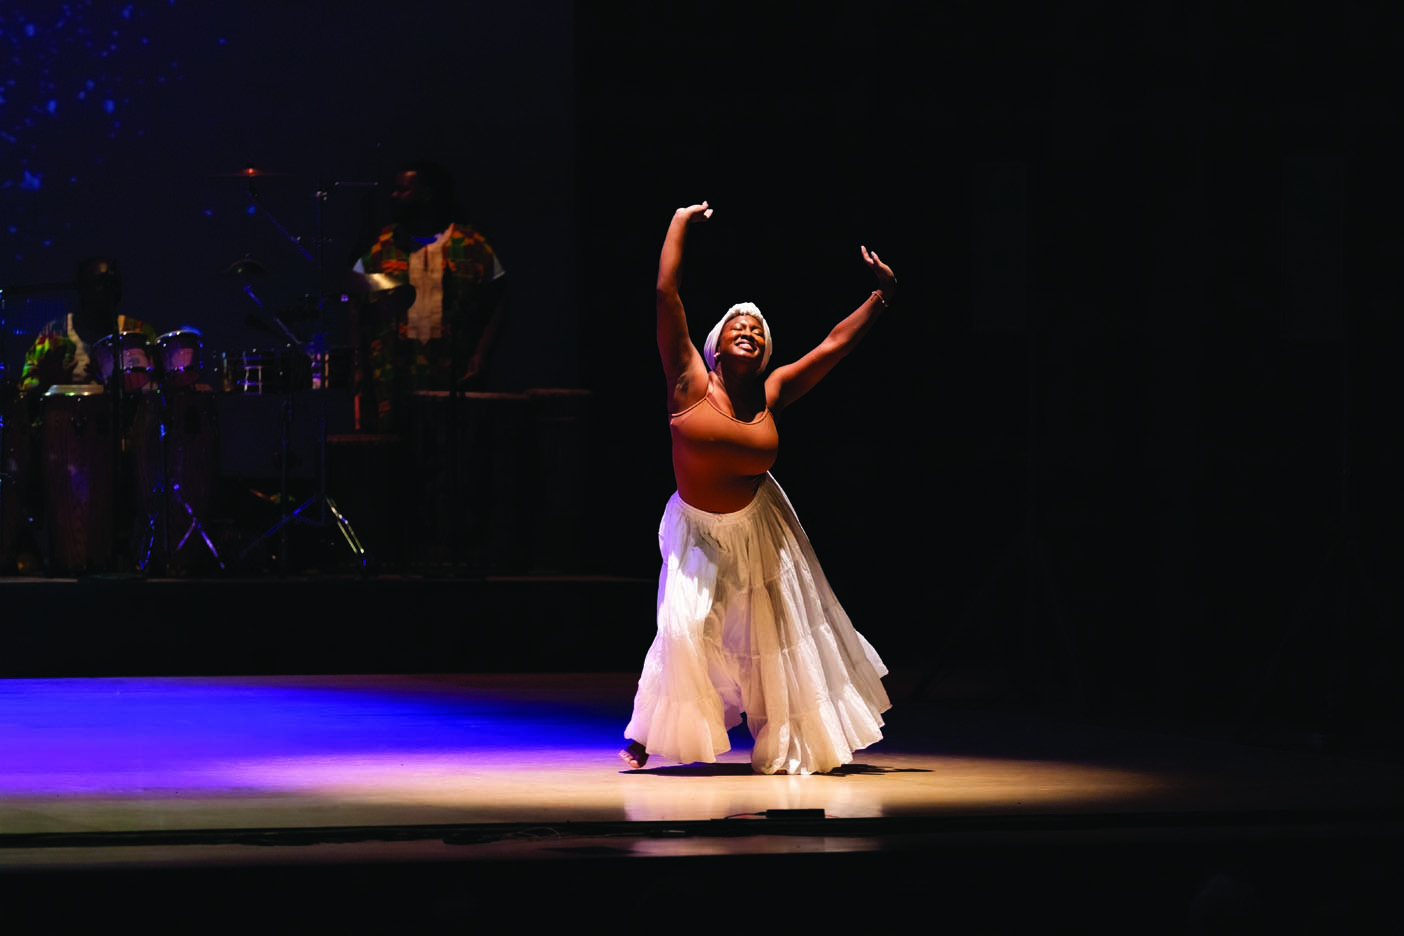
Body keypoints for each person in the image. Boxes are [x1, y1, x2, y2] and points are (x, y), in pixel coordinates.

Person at [620, 201, 896, 776]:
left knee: (772, 640)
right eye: (737, 327)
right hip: (698, 530)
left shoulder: (774, 391)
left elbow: (832, 346)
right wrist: (678, 222)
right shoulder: (687, 380)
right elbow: (667, 294)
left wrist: (880, 297)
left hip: (761, 527)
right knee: (683, 629)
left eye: (758, 331)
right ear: (716, 344)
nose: (748, 332)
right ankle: (648, 731)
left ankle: (788, 738)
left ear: (765, 351)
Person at [350, 160, 508, 433]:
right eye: (393, 190)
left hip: (452, 381)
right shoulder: (380, 248)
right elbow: (353, 302)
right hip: (391, 382)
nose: (394, 196)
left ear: (427, 195)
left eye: (402, 190)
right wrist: (357, 364)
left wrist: (482, 352)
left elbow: (500, 295)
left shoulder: (471, 245)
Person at [19, 256, 156, 393]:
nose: (108, 289)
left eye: (114, 282)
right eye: (100, 282)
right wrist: (46, 383)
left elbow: (158, 385)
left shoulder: (138, 332)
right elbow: (24, 386)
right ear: (81, 288)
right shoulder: (55, 333)